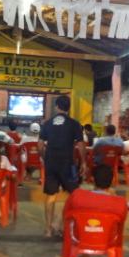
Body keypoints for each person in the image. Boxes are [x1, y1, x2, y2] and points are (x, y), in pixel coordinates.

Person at [38, 95, 87, 238]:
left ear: (57, 106)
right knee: (73, 194)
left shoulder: (47, 124)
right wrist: (83, 162)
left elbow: (40, 144)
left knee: (51, 195)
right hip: (67, 163)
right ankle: (59, 223)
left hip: (51, 163)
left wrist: (43, 157)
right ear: (69, 107)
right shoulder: (74, 124)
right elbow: (80, 145)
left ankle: (48, 229)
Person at [62, 164, 127, 257]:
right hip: (108, 239)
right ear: (113, 180)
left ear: (92, 179)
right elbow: (122, 222)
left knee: (79, 223)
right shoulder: (120, 202)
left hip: (81, 237)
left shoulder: (78, 196)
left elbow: (65, 215)